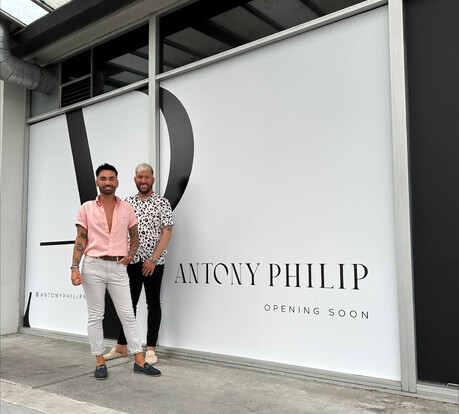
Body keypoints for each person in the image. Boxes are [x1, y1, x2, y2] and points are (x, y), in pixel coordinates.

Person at [71, 163, 161, 379]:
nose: (108, 182)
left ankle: (139, 360)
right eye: (103, 179)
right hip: (93, 265)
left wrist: (131, 254)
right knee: (96, 315)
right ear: (97, 182)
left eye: (111, 179)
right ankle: (100, 362)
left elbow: (135, 237)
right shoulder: (86, 208)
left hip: (119, 267)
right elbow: (81, 239)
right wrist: (74, 266)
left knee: (128, 314)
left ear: (117, 182)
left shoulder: (126, 208)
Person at [104, 163, 173, 366]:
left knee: (153, 304)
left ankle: (150, 349)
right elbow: (119, 231)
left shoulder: (162, 203)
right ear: (135, 179)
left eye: (147, 177)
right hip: (131, 262)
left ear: (153, 180)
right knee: (128, 305)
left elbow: (167, 232)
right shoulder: (126, 203)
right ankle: (121, 346)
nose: (143, 181)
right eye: (140, 177)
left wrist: (153, 259)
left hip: (154, 263)